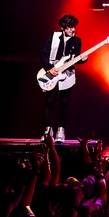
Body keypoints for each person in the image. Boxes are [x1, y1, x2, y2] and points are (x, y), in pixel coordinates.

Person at [40, 14, 87, 142]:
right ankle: (48, 130)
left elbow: (75, 59)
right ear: (62, 27)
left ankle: (61, 130)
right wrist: (49, 67)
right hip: (52, 73)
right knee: (50, 102)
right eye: (69, 27)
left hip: (67, 75)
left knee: (64, 103)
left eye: (74, 27)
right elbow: (43, 54)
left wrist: (83, 59)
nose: (73, 30)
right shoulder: (52, 37)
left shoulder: (77, 41)